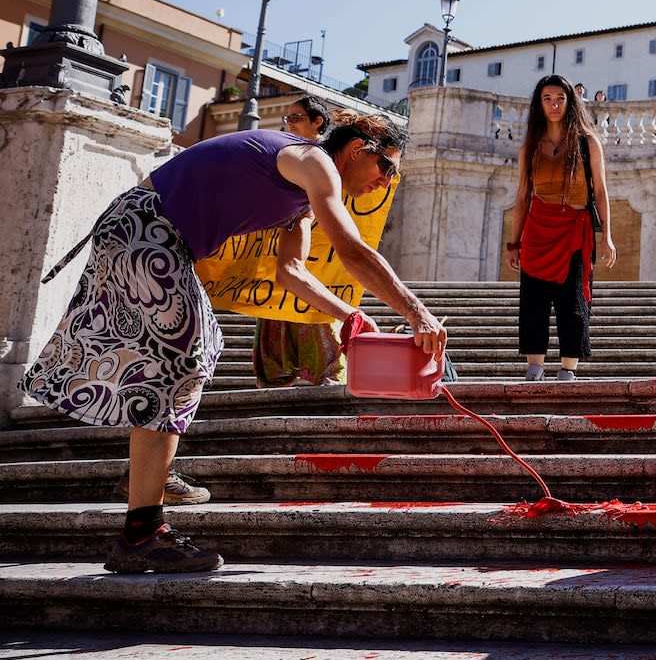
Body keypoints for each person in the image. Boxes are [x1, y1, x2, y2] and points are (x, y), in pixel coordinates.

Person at [20, 113, 445, 574]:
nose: (385, 183)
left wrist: (350, 316)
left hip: (147, 233)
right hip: (147, 229)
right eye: (388, 169)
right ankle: (143, 526)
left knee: (179, 359)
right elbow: (351, 248)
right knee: (187, 355)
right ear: (361, 148)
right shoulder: (313, 160)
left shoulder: (302, 192)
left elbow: (292, 271)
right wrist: (417, 313)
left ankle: (151, 485)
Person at [505, 76, 616, 382]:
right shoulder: (529, 148)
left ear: (570, 102)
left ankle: (568, 370)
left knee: (572, 302)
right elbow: (523, 197)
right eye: (547, 99)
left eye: (559, 98)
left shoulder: (588, 142)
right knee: (533, 302)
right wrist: (514, 243)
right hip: (538, 229)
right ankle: (534, 368)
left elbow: (602, 192)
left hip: (574, 230)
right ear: (539, 105)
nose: (553, 105)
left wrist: (607, 235)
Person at [251, 96, 347, 390]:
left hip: (318, 253)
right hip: (284, 250)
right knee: (277, 314)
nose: (290, 124)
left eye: (297, 118)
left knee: (317, 314)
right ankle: (277, 377)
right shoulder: (282, 154)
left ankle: (328, 375)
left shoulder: (329, 161)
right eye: (287, 118)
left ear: (318, 122)